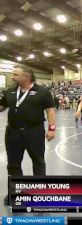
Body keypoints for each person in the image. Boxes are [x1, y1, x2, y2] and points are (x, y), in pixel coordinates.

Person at [0, 65, 56, 205]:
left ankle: (40, 193)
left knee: (38, 161)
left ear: (26, 76)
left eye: (15, 74)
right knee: (13, 164)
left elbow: (50, 111)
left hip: (34, 132)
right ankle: (16, 192)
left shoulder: (42, 92)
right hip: (13, 132)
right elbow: (1, 107)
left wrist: (52, 129)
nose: (12, 77)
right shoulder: (10, 91)